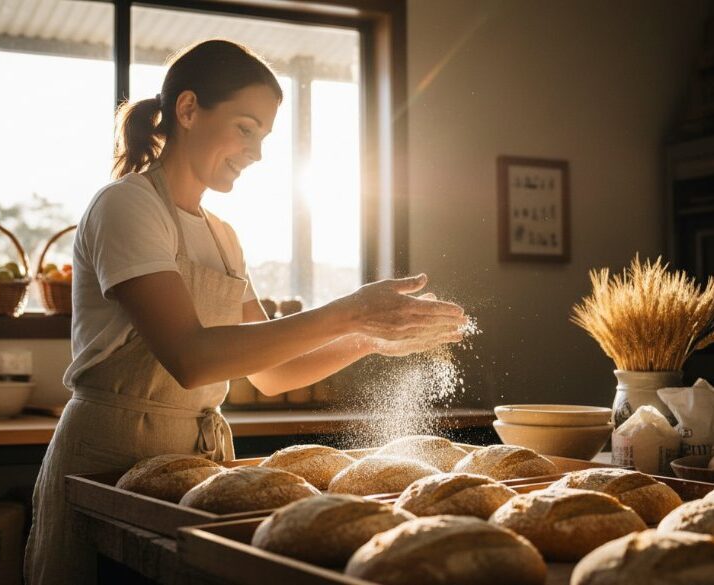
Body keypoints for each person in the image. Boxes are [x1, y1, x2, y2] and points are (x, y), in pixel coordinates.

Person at [23, 39, 466, 585]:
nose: (256, 152)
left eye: (263, 136)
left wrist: (374, 337)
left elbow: (273, 373)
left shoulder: (223, 236)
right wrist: (349, 312)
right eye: (246, 127)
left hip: (194, 467)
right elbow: (190, 357)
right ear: (188, 110)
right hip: (108, 457)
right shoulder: (127, 206)